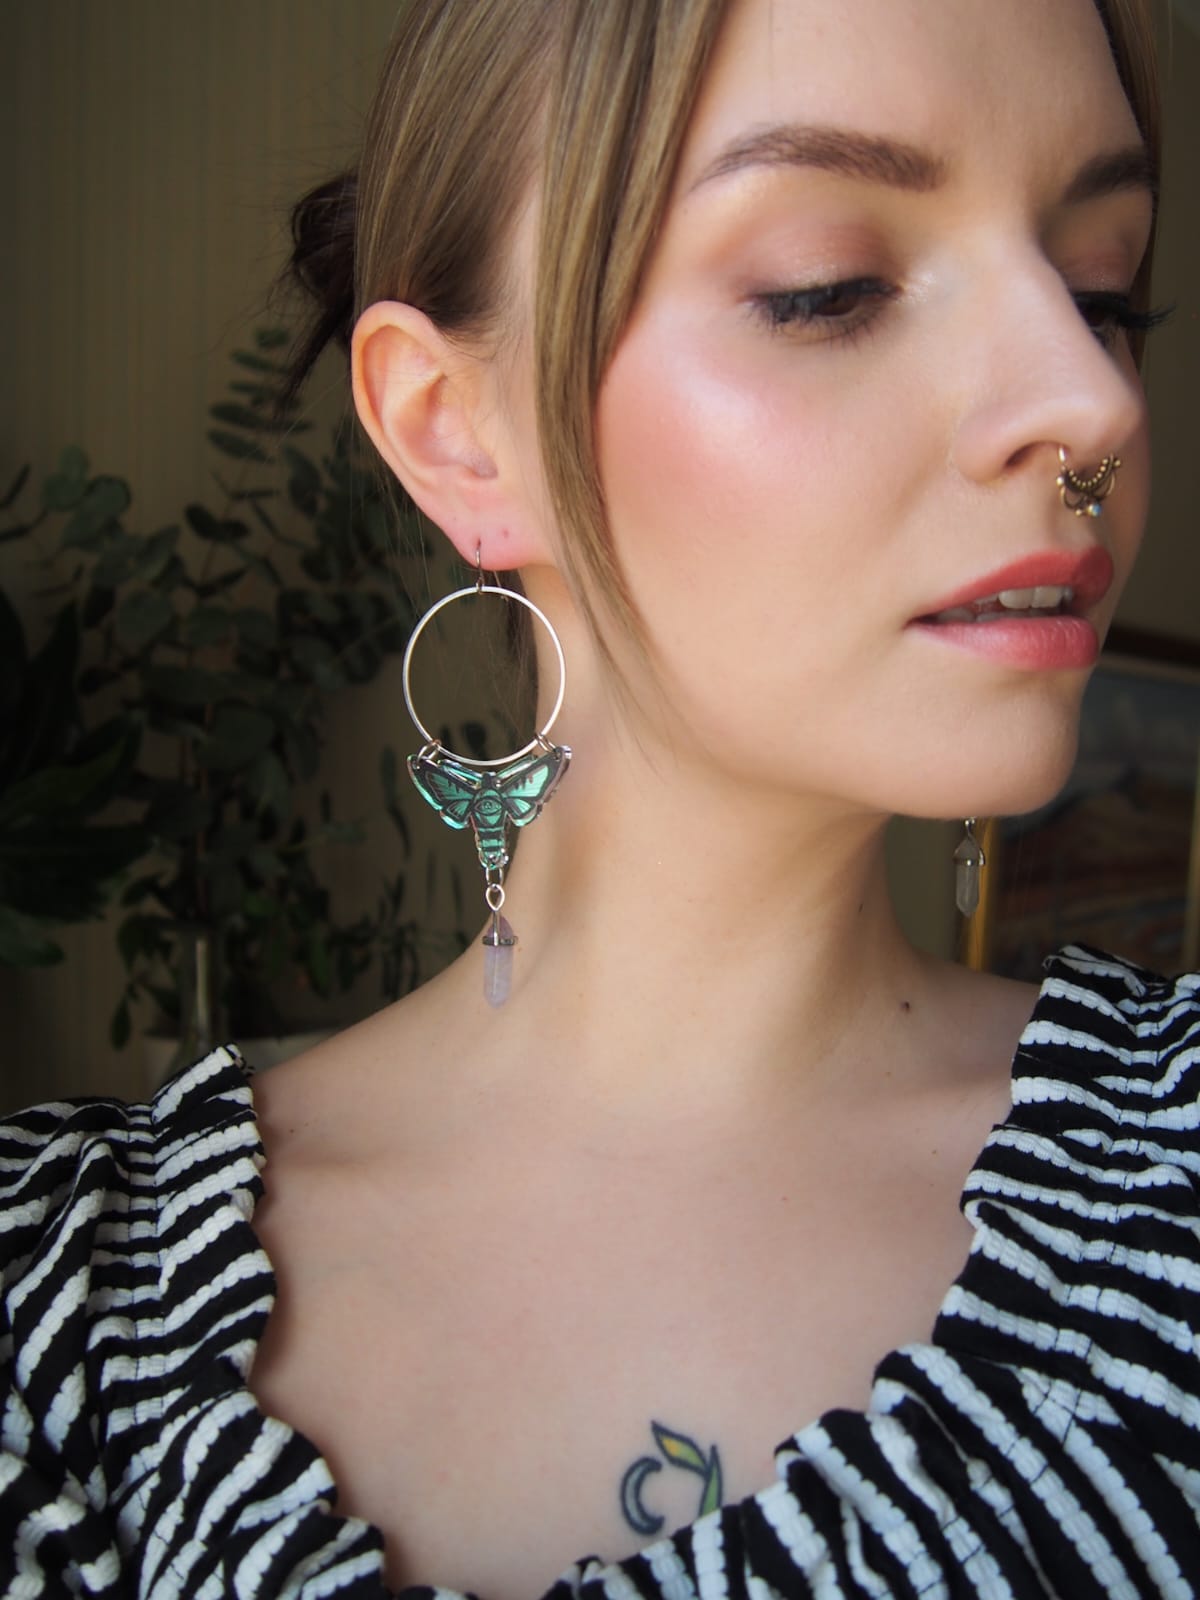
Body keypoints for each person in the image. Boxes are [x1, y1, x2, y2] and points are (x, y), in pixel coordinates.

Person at [2, 0, 1197, 1595]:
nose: (1091, 402)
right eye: (830, 287)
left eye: (1103, 291)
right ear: (459, 435)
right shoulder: (58, 1312)